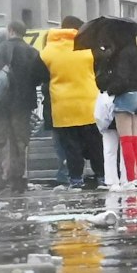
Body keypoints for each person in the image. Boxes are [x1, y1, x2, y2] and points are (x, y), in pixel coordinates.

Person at [0, 20, 47, 194]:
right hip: (23, 104)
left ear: (10, 31)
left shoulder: (3, 48)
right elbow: (42, 76)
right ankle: (18, 180)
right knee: (19, 142)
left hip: (1, 103)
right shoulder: (33, 52)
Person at [41, 17, 104, 189]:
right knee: (96, 144)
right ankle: (102, 177)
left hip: (62, 107)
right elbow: (101, 65)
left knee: (71, 146)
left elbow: (39, 74)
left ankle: (76, 179)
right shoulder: (88, 46)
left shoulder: (49, 50)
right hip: (89, 104)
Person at [88, 18, 137, 185]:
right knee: (136, 139)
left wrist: (111, 89)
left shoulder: (123, 53)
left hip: (125, 98)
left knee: (126, 141)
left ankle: (130, 178)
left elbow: (122, 79)